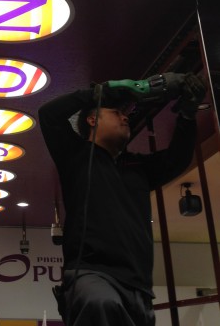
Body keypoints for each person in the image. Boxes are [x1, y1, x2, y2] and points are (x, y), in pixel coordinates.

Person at [38, 72, 206, 326]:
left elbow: (177, 159)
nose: (125, 117)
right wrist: (100, 93)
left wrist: (187, 114)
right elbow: (48, 114)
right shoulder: (75, 155)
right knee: (101, 304)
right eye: (116, 113)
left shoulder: (137, 167)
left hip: (138, 286)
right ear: (92, 119)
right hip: (93, 276)